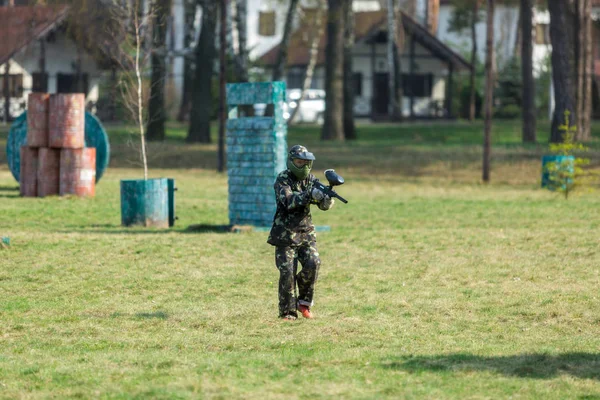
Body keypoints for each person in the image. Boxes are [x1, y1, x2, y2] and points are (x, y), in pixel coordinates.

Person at [267, 145, 335, 320]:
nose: (303, 165)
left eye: (306, 162)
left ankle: (303, 303)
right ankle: (287, 313)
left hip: (306, 233)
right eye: (299, 161)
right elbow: (288, 201)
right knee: (287, 272)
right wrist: (309, 195)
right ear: (291, 162)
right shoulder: (283, 179)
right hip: (285, 235)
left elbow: (321, 204)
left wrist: (325, 200)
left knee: (314, 263)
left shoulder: (311, 180)